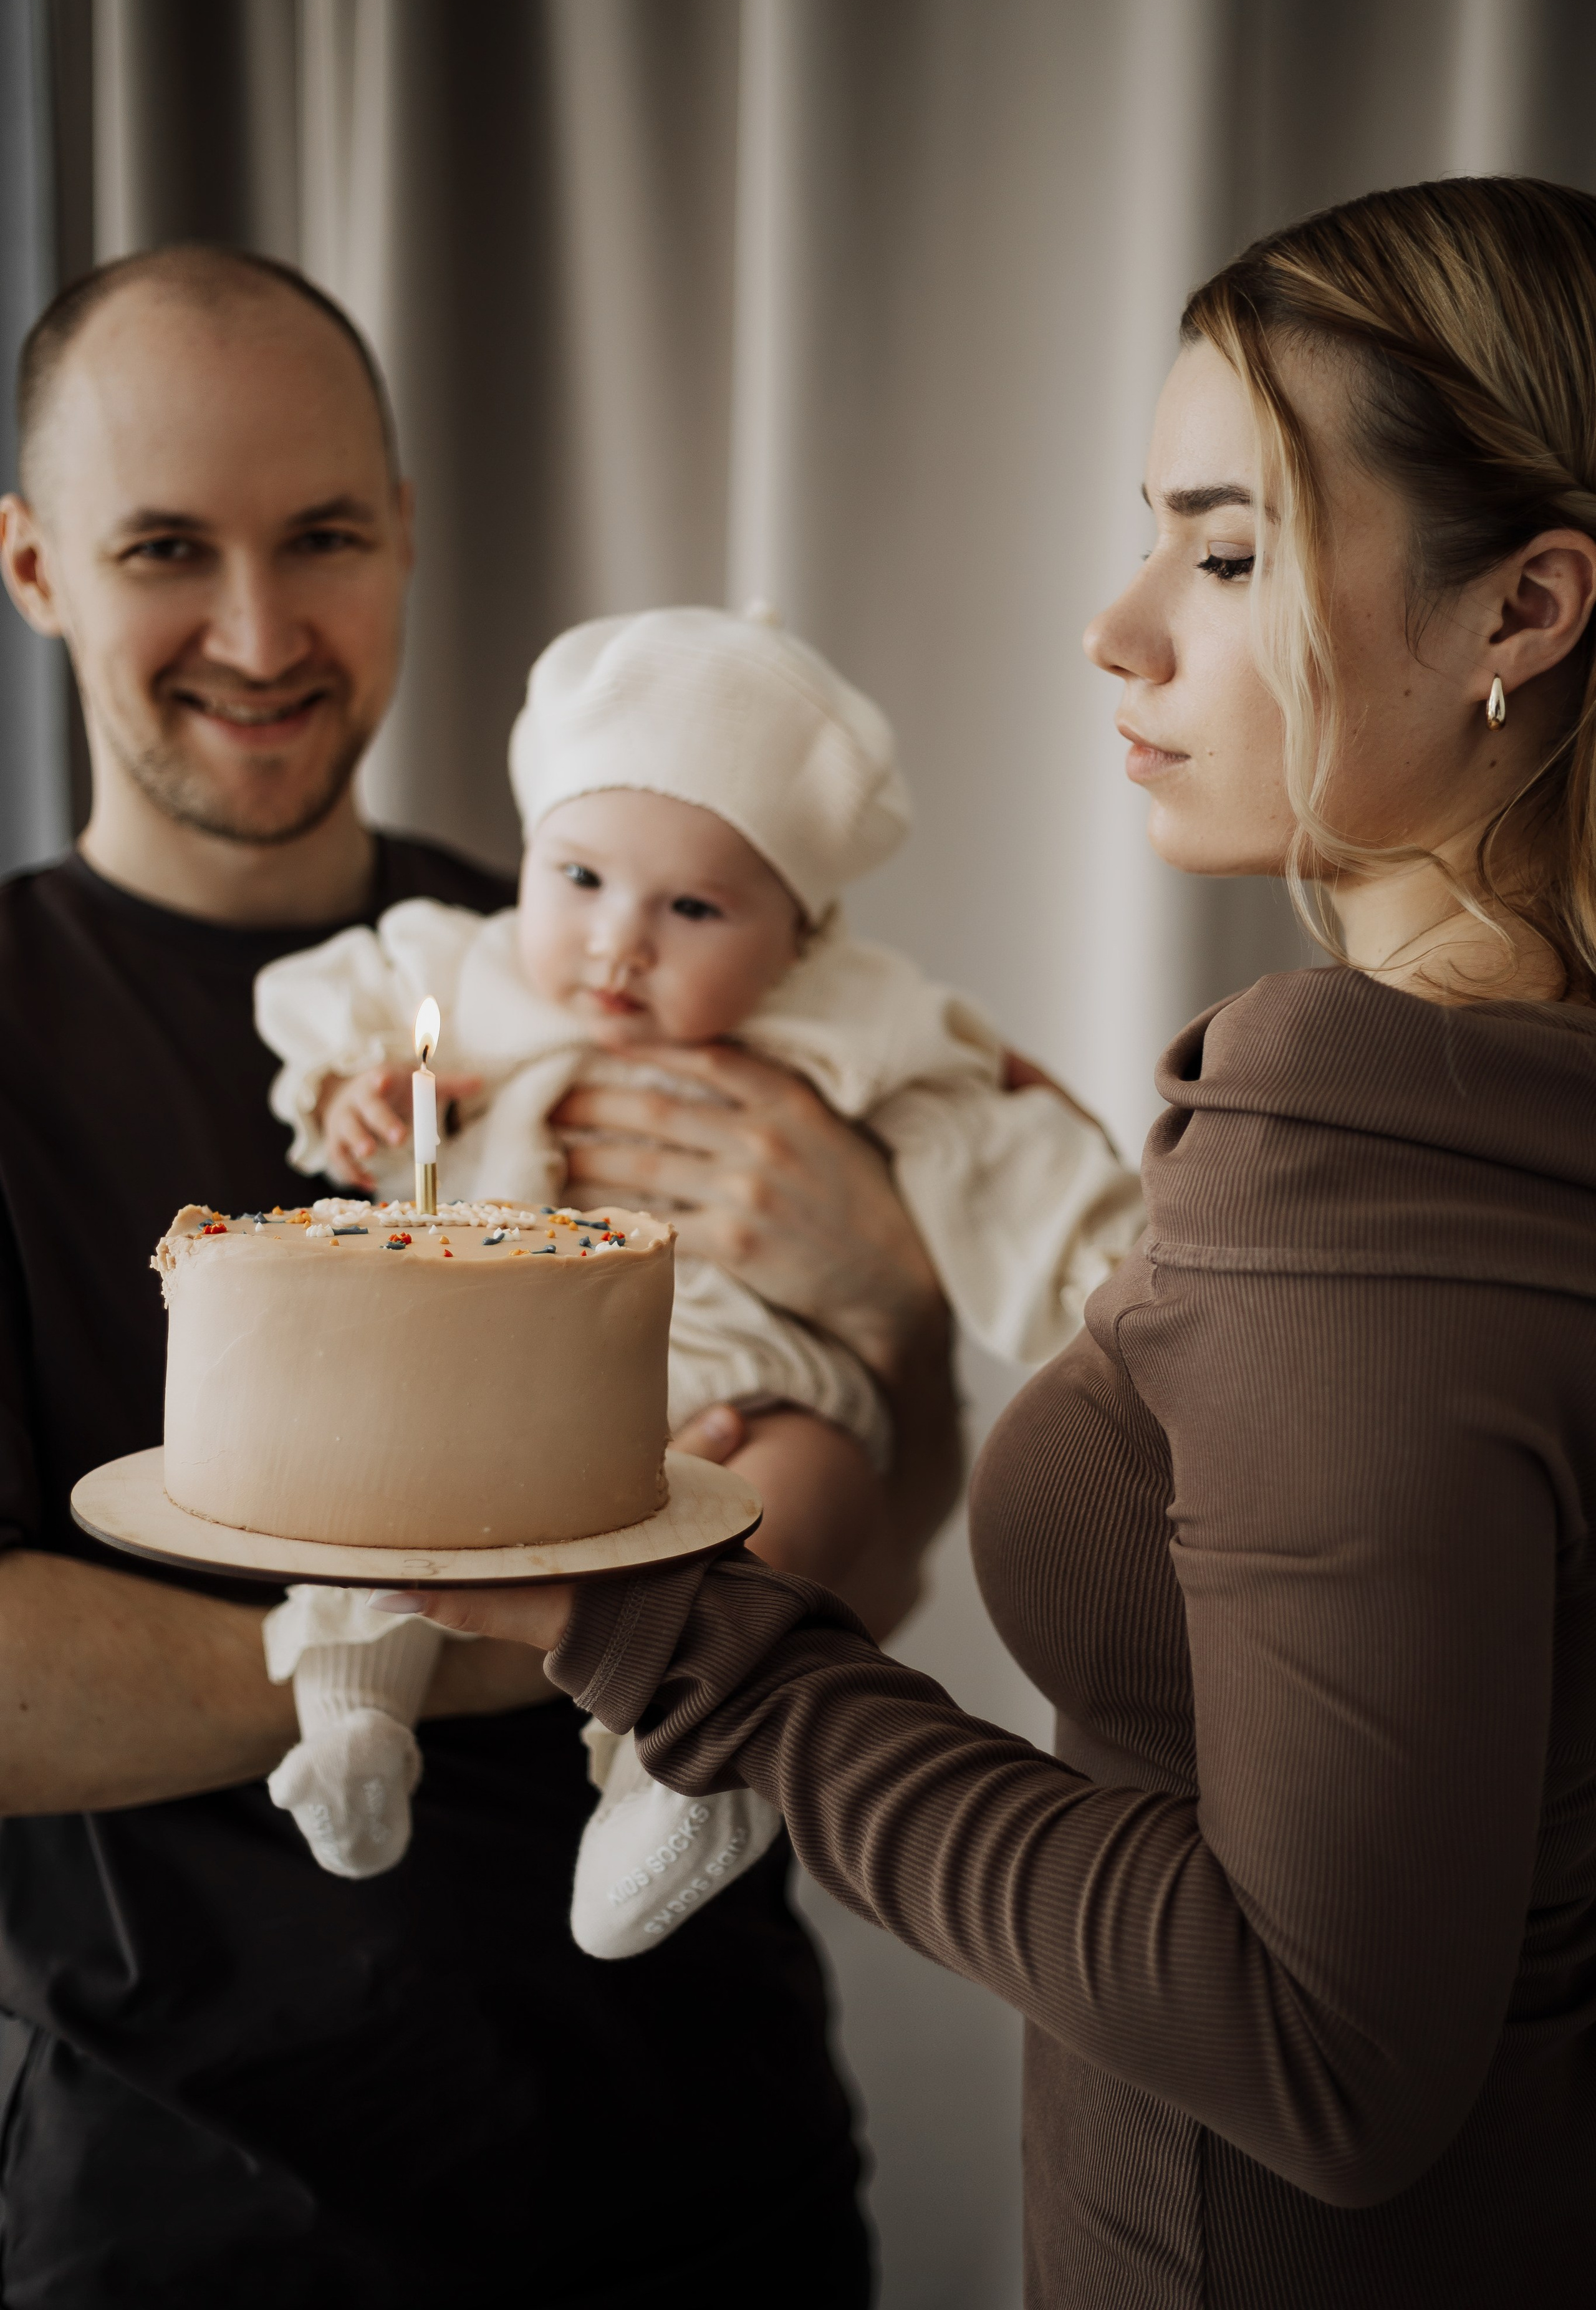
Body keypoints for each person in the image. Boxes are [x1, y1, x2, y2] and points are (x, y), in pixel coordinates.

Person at [398, 175, 1596, 2309]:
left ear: (1524, 611)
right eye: (1153, 530)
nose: (1118, 625)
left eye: (1227, 550)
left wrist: (686, 1648)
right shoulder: (1525, 1112)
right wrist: (890, 1282)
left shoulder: (1363, 1136)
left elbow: (1326, 2055)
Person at [0, 242, 962, 2307]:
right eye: (169, 546)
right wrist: (530, 1640)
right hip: (210, 2215)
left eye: (324, 535)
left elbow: (848, 1576)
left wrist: (889, 1303)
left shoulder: (616, 951)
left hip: (712, 2162)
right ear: (35, 567)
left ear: (411, 536)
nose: (260, 631)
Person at [250, 601, 1142, 1937]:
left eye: (693, 907)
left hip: (736, 1373)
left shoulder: (845, 1016)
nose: (618, 943)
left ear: (798, 931)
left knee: (796, 1496)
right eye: (581, 879)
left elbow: (1001, 1154)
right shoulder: (466, 969)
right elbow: (338, 1005)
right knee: (364, 1484)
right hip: (488, 1376)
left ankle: (688, 1773)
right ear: (529, 853)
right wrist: (352, 1088)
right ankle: (353, 1724)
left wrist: (1123, 1283)